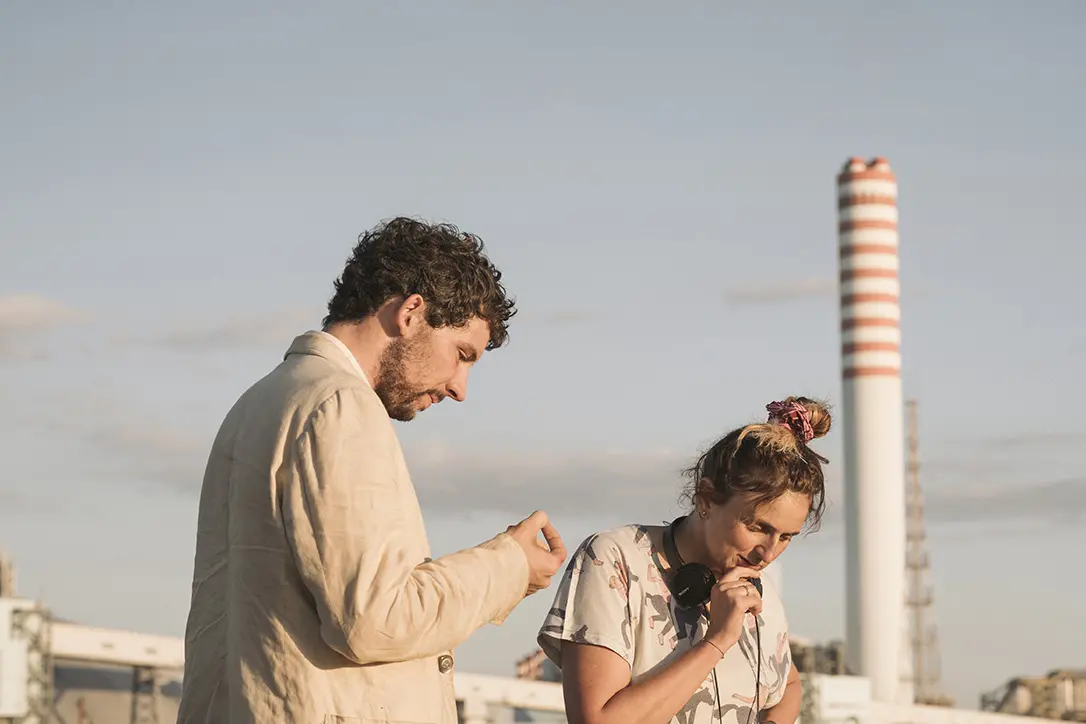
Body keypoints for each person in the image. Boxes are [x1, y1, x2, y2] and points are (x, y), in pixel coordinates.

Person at [177, 217, 567, 723]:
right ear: (410, 312)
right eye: (461, 354)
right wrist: (509, 565)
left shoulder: (260, 400)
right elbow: (374, 619)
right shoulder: (339, 404)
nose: (459, 387)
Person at [537, 396, 831, 724]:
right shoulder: (615, 560)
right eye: (757, 527)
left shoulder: (758, 594)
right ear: (706, 498)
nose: (769, 553)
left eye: (786, 536)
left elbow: (788, 683)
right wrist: (717, 641)